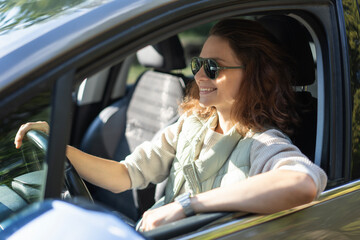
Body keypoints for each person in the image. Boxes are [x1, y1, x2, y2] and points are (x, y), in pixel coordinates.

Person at [14, 19, 327, 232]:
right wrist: (59, 146)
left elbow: (303, 182)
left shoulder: (263, 143)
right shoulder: (191, 122)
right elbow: (124, 175)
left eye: (213, 67)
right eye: (198, 64)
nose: (200, 76)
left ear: (256, 75)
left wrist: (188, 206)